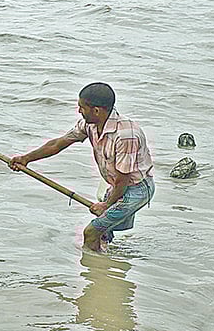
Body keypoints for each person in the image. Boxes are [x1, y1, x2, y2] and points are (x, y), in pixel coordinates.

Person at [8, 83, 154, 251]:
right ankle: (107, 265)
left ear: (97, 110)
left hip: (136, 188)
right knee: (104, 231)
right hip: (117, 184)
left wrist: (106, 205)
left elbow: (124, 178)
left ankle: (95, 268)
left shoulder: (126, 135)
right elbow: (58, 143)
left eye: (82, 107)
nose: (79, 111)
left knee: (92, 231)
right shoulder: (89, 125)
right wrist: (26, 159)